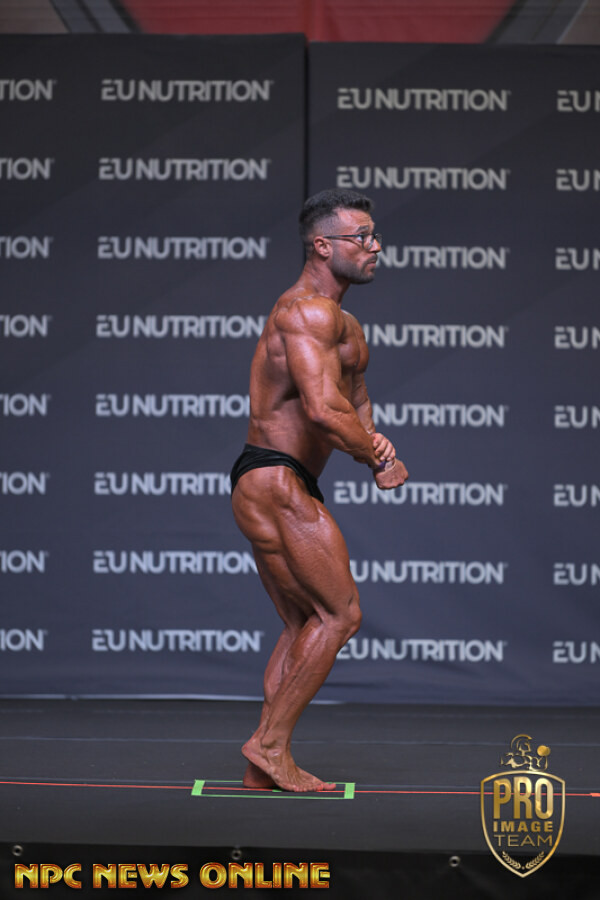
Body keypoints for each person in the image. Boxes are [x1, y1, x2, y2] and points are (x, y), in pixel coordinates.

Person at [230, 188, 408, 793]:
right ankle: (270, 744)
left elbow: (355, 401)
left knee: (305, 621)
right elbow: (324, 410)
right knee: (340, 614)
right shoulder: (304, 312)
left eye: (375, 235)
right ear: (322, 245)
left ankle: (261, 767)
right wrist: (376, 456)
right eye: (362, 237)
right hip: (274, 475)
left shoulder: (346, 324)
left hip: (284, 479)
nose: (375, 246)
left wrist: (375, 448)